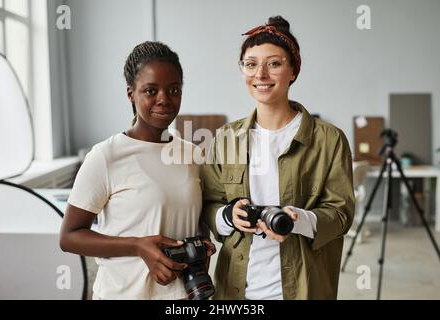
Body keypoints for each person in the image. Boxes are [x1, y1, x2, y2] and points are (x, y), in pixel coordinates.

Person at [201, 16, 355, 300]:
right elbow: (210, 205)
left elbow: (341, 214)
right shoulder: (225, 138)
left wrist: (297, 220)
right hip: (237, 289)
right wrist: (228, 215)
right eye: (250, 64)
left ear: (293, 70)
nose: (260, 75)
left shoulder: (329, 139)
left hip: (304, 287)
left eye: (274, 63)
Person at [60, 41, 215, 300]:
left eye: (174, 89)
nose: (164, 99)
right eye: (150, 90)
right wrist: (138, 246)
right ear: (131, 94)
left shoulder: (193, 154)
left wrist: (202, 252)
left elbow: (199, 223)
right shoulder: (106, 156)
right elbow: (69, 237)